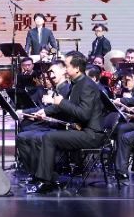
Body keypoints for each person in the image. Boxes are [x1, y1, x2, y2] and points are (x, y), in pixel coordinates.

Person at [21, 54, 107, 194]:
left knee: (49, 138)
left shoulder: (87, 85)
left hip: (91, 134)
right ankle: (46, 177)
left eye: (67, 66)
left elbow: (83, 114)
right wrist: (45, 111)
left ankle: (46, 181)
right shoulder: (76, 83)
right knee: (42, 136)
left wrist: (61, 102)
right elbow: (62, 106)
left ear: (77, 68)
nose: (65, 69)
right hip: (80, 130)